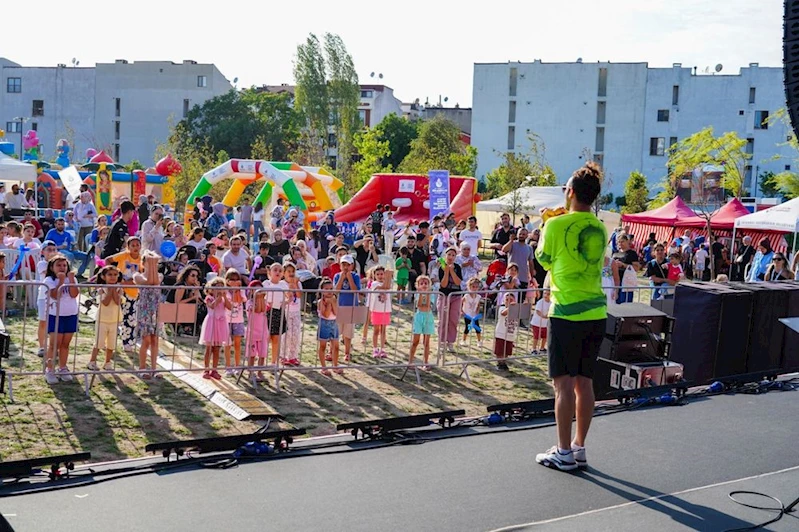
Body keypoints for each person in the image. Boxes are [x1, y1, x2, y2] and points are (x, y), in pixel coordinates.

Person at [534, 161, 607, 472]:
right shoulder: (601, 226)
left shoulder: (555, 224)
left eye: (565, 189)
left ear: (572, 192)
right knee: (584, 382)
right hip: (596, 312)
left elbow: (543, 259)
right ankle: (579, 447)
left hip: (565, 312)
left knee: (562, 384)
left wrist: (544, 226)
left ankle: (562, 452)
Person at [43, 254, 79, 384]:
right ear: (52, 267)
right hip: (55, 315)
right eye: (58, 265)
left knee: (65, 344)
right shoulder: (49, 280)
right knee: (54, 344)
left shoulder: (72, 279)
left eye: (64, 265)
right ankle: (50, 370)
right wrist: (61, 282)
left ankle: (63, 368)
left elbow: (74, 294)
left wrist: (71, 280)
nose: (62, 267)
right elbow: (54, 295)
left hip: (70, 314)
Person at [107, 236, 143, 353]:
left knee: (130, 319)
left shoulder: (142, 259)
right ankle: (107, 342)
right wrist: (112, 275)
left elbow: (143, 274)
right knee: (113, 316)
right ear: (128, 247)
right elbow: (108, 260)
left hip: (133, 292)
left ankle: (128, 343)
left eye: (137, 245)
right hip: (119, 290)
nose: (135, 247)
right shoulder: (123, 255)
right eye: (133, 245)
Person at [88, 265, 123, 371]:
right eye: (110, 275)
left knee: (111, 343)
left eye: (115, 275)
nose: (113, 277)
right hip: (102, 319)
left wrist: (114, 290)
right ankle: (92, 361)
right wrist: (111, 291)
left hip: (114, 319)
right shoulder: (101, 289)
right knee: (99, 342)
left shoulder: (120, 288)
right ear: (104, 277)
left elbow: (118, 302)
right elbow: (106, 302)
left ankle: (107, 362)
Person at [134, 251, 162, 379]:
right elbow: (149, 282)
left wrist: (154, 266)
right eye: (148, 262)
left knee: (155, 340)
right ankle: (142, 367)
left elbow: (155, 281)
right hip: (145, 310)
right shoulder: (137, 276)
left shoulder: (159, 275)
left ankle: (154, 368)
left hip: (156, 310)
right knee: (146, 340)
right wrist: (151, 264)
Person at [201, 277, 231, 380]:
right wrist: (218, 299)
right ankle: (206, 369)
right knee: (209, 348)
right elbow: (212, 306)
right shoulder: (209, 298)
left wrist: (225, 298)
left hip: (220, 324)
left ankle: (214, 369)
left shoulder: (223, 299)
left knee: (217, 348)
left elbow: (229, 307)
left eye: (221, 287)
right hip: (211, 323)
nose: (219, 289)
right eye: (217, 287)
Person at [333, 254, 361, 362]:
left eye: (348, 265)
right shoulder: (337, 276)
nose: (345, 267)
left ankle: (347, 352)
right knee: (336, 331)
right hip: (339, 307)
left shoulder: (355, 276)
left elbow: (355, 290)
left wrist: (349, 278)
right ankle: (332, 351)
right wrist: (342, 278)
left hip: (351, 308)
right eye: (343, 264)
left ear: (352, 266)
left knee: (348, 333)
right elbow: (336, 290)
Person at [262, 263, 289, 366]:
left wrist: (285, 302)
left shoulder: (283, 285)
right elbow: (261, 296)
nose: (277, 272)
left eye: (280, 270)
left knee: (276, 339)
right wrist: (265, 303)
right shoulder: (266, 283)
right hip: (267, 312)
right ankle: (262, 360)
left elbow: (290, 296)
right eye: (275, 270)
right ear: (270, 272)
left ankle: (274, 361)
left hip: (278, 312)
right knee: (265, 338)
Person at [437, 247, 463, 351]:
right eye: (449, 254)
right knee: (443, 319)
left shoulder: (457, 267)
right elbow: (443, 284)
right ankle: (442, 341)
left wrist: (452, 271)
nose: (451, 257)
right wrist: (447, 271)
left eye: (453, 255)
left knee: (453, 319)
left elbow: (458, 282)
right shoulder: (441, 268)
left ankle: (450, 341)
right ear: (445, 255)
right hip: (444, 295)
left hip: (456, 296)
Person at [36, 241, 58, 358]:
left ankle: (53, 346)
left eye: (54, 250)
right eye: (49, 250)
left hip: (56, 296)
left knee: (55, 323)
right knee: (43, 322)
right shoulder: (42, 263)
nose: (52, 252)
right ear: (43, 252)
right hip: (43, 296)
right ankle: (42, 346)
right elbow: (48, 274)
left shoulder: (60, 264)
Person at [408, 275, 435, 369]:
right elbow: (419, 305)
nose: (424, 285)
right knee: (415, 341)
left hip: (428, 317)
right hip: (419, 316)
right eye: (421, 283)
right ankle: (410, 361)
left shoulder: (431, 294)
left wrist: (427, 294)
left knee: (426, 341)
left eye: (426, 283)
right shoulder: (417, 294)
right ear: (417, 285)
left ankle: (426, 362)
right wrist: (420, 294)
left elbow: (428, 305)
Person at [317, 278, 342, 375]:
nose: (329, 291)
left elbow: (336, 312)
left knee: (335, 346)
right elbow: (326, 314)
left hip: (334, 323)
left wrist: (332, 302)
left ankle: (335, 365)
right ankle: (324, 367)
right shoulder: (320, 302)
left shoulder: (334, 299)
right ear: (322, 291)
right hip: (324, 323)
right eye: (326, 289)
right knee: (323, 346)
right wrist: (328, 303)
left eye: (331, 288)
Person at [367, 265, 393, 358]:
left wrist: (389, 276)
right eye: (378, 274)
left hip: (385, 310)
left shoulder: (388, 282)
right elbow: (384, 287)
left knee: (383, 330)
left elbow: (388, 286)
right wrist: (388, 275)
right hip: (376, 310)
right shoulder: (374, 284)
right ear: (375, 275)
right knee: (376, 330)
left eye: (382, 274)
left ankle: (382, 349)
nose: (380, 276)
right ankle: (375, 348)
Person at [283, 262, 303, 367]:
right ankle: (283, 355)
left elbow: (299, 295)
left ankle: (293, 356)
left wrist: (295, 285)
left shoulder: (298, 283)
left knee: (295, 334)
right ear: (284, 273)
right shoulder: (282, 284)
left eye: (293, 271)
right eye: (288, 271)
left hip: (296, 312)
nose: (291, 274)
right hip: (286, 312)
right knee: (286, 334)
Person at [611, 234, 640, 304]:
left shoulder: (632, 253)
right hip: (614, 280)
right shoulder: (615, 254)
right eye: (619, 242)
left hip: (626, 281)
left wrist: (623, 265)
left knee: (625, 303)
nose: (620, 243)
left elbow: (637, 268)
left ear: (628, 242)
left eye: (622, 241)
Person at [494, 292, 519, 370]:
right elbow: (503, 313)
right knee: (499, 350)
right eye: (507, 299)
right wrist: (510, 307)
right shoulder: (502, 308)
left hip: (510, 333)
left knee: (507, 350)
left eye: (511, 299)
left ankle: (504, 362)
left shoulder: (516, 310)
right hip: (501, 333)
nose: (509, 301)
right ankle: (499, 363)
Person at [461, 277, 483, 348]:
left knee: (477, 328)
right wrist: (461, 311)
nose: (475, 288)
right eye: (473, 287)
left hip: (474, 315)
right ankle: (463, 340)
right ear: (469, 287)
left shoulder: (478, 297)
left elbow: (478, 304)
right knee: (467, 328)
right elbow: (460, 302)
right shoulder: (466, 296)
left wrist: (477, 311)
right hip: (467, 314)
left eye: (476, 287)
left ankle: (479, 341)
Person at [531, 290, 552, 355]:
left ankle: (542, 348)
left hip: (545, 324)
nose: (546, 295)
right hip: (537, 323)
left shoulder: (551, 303)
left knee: (545, 337)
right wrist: (543, 316)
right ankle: (534, 349)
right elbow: (537, 311)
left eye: (548, 294)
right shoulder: (540, 302)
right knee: (536, 337)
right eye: (545, 293)